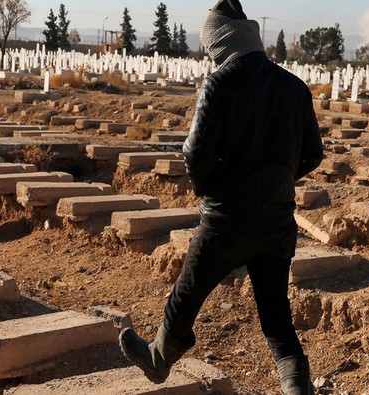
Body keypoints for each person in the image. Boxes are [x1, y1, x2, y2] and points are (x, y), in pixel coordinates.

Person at [118, 1, 324, 394]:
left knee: (184, 297)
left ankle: (158, 361)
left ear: (218, 41)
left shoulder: (219, 83)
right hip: (277, 222)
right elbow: (313, 153)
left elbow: (195, 155)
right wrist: (278, 179)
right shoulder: (294, 87)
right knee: (277, 322)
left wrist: (214, 189)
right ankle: (298, 388)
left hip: (226, 220)